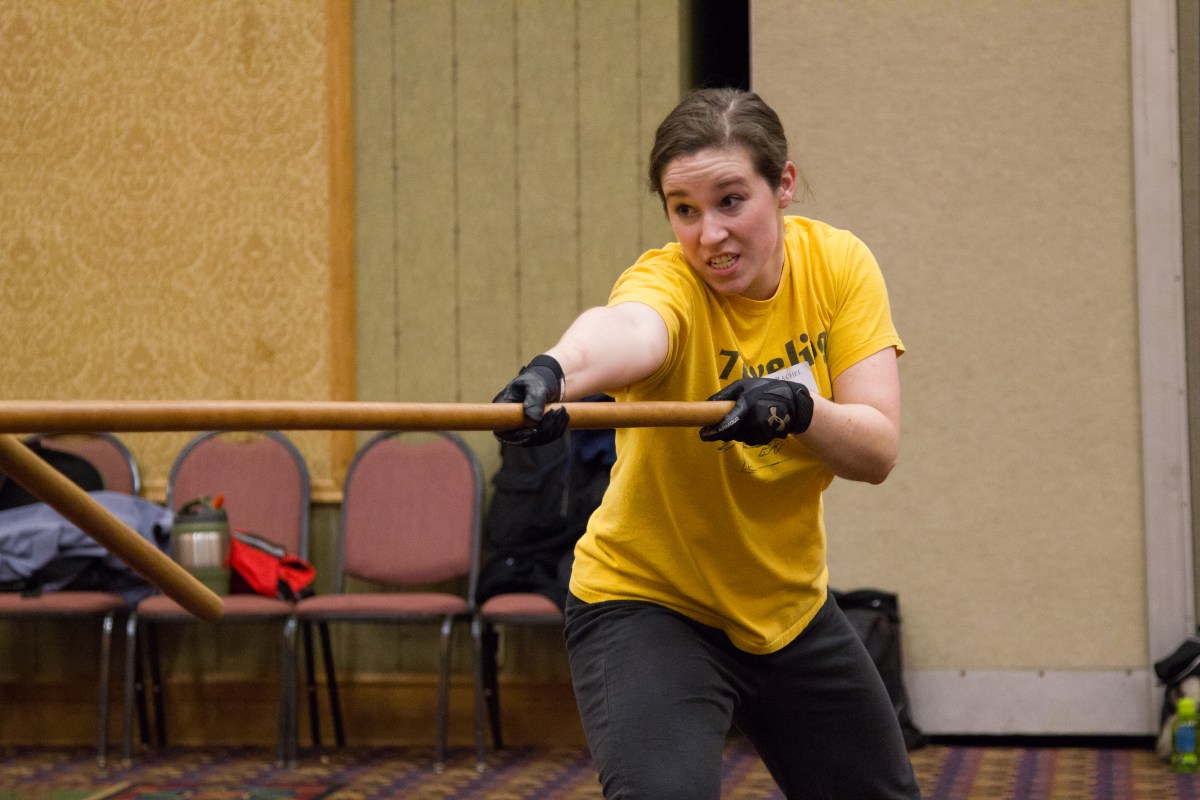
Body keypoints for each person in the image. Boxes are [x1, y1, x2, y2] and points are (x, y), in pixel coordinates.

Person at [491, 87, 920, 800]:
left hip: (786, 607)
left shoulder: (838, 267)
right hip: (650, 603)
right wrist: (554, 372)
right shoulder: (669, 284)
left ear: (783, 185)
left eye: (730, 201)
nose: (709, 235)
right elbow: (628, 330)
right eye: (683, 209)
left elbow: (876, 450)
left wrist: (799, 409)